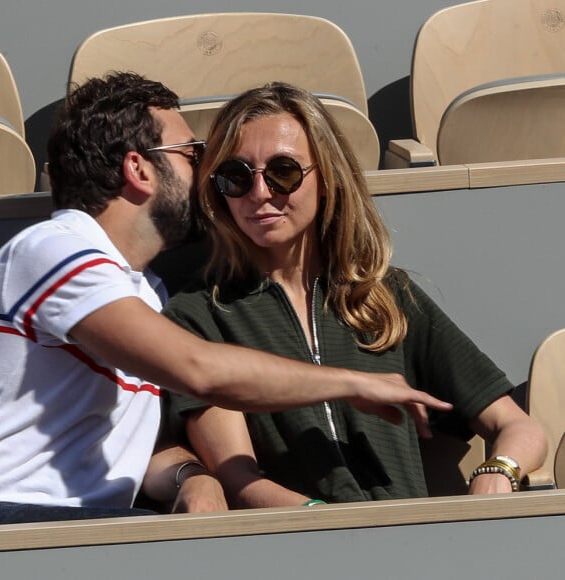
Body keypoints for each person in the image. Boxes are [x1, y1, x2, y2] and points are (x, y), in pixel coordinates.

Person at [0, 73, 451, 525]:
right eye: (193, 153)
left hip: (95, 527)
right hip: (10, 519)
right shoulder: (55, 247)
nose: (208, 172)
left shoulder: (147, 293)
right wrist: (355, 383)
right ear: (139, 168)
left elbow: (123, 446)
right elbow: (200, 370)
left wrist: (193, 477)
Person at [162, 81, 548, 508]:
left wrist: (498, 471)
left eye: (283, 172)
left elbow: (518, 427)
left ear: (326, 178)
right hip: (294, 548)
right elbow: (236, 478)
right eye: (236, 177)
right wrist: (326, 524)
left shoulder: (386, 296)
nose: (260, 194)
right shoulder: (198, 316)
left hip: (412, 541)